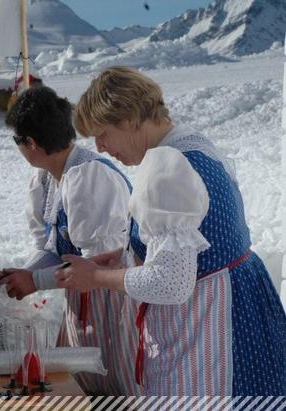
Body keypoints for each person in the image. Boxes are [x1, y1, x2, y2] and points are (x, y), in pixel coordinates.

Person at [56, 66, 286, 395]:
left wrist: (96, 278)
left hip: (206, 329)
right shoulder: (195, 147)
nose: (101, 147)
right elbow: (197, 242)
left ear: (130, 119)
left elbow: (171, 282)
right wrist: (125, 259)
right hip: (244, 307)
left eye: (103, 133)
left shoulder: (165, 169)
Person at [0, 86, 140, 395]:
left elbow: (99, 261)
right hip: (81, 299)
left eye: (16, 141)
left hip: (114, 301)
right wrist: (21, 274)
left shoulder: (88, 177)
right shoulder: (47, 179)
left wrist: (36, 281)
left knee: (118, 389)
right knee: (80, 385)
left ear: (31, 143)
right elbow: (51, 247)